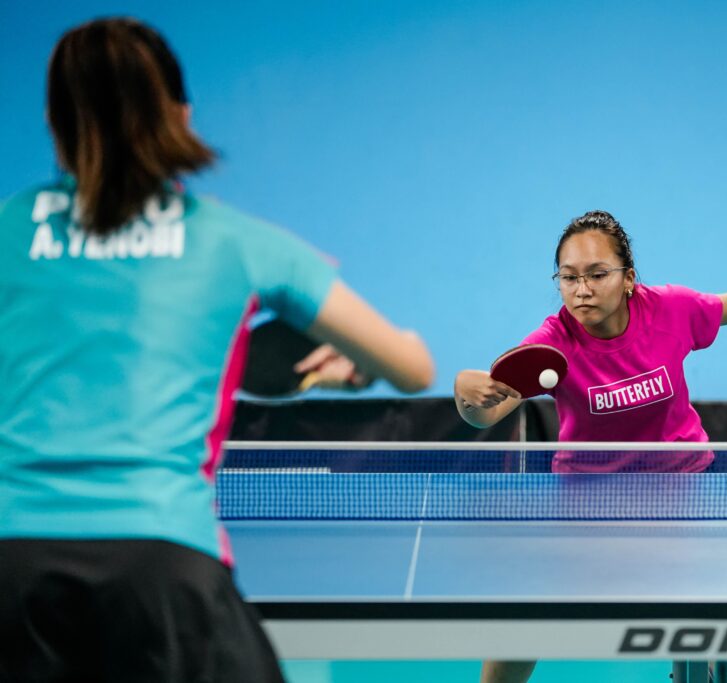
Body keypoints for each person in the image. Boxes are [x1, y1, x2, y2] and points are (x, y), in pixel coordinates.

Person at [0, 18, 434, 683]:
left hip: (12, 569)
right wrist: (359, 366)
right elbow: (412, 369)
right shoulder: (237, 242)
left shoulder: (7, 227)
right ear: (181, 116)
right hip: (163, 570)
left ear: (56, 126)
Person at [453, 209, 727, 683]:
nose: (582, 289)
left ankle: (698, 673)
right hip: (588, 498)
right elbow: (487, 411)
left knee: (722, 618)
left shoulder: (669, 311)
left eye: (597, 274)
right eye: (569, 277)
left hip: (683, 487)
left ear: (628, 278)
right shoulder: (552, 344)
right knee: (528, 606)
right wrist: (466, 393)